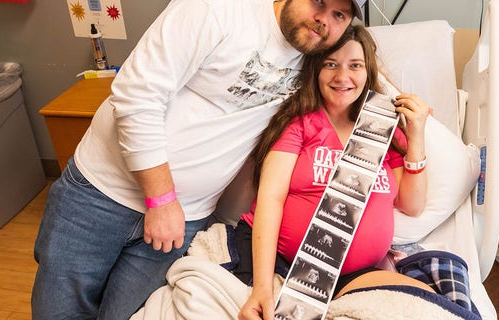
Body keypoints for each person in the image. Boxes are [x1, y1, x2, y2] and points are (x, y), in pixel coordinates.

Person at [31, 0, 364, 319]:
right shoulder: (216, 10)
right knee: (59, 311)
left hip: (186, 216)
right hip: (102, 193)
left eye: (340, 15)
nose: (324, 19)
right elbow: (137, 95)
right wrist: (161, 200)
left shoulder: (314, 62)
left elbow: (362, 78)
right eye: (318, 1)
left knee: (126, 315)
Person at [235, 24, 434, 320]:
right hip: (283, 263)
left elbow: (412, 205)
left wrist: (416, 134)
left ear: (367, 71)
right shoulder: (300, 123)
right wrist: (262, 288)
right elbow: (270, 199)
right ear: (316, 69)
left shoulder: (383, 128)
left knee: (433, 307)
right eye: (331, 65)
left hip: (356, 276)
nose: (343, 77)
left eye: (355, 66)